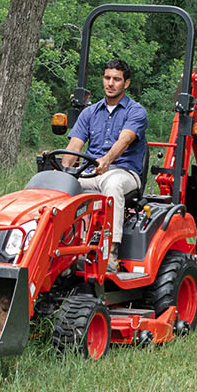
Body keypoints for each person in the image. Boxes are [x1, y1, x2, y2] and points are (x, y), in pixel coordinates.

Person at [67, 58, 148, 260]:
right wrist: (63, 170)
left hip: (124, 171)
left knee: (113, 185)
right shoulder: (89, 112)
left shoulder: (136, 111)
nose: (110, 83)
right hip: (91, 171)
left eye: (116, 79)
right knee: (61, 187)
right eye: (107, 78)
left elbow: (125, 140)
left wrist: (106, 160)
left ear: (126, 83)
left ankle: (109, 253)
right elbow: (74, 145)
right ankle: (64, 247)